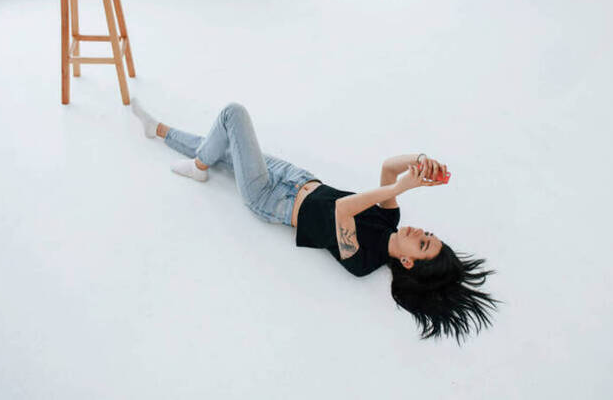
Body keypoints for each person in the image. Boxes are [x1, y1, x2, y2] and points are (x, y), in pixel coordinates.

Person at [130, 99, 501, 343]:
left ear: (407, 261)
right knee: (225, 147)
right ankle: (159, 131)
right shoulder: (391, 217)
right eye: (429, 234)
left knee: (233, 115)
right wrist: (419, 161)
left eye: (422, 243)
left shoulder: (364, 262)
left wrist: (401, 187)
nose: (421, 232)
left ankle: (197, 166)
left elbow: (343, 210)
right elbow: (389, 167)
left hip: (269, 198)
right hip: (296, 177)